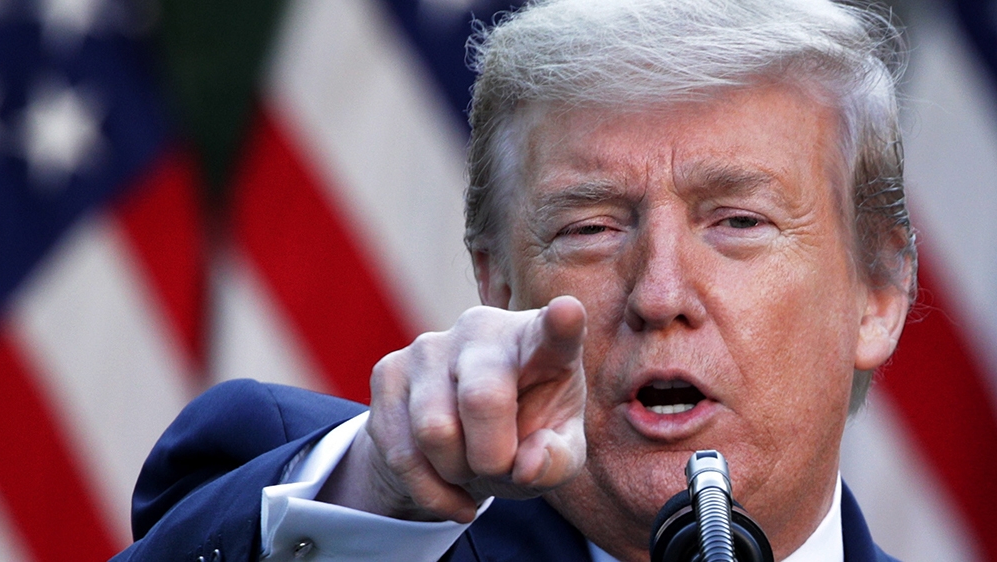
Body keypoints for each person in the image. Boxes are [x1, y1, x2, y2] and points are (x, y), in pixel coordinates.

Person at [112, 0, 915, 560]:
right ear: (497, 292)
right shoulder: (341, 500)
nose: (660, 293)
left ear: (878, 293)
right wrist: (378, 490)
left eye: (738, 221)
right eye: (592, 227)